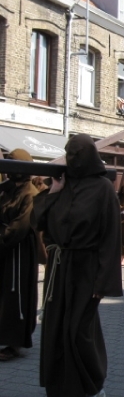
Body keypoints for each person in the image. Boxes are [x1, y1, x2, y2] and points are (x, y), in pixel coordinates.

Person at [32, 134, 122, 397]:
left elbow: (110, 238)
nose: (73, 160)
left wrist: (103, 281)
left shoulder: (103, 189)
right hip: (59, 269)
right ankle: (61, 387)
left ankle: (92, 385)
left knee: (79, 331)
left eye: (77, 154)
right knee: (56, 328)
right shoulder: (63, 184)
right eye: (69, 154)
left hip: (87, 270)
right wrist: (52, 194)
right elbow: (37, 222)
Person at [0, 149, 39, 362]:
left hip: (19, 252)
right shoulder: (8, 190)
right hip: (5, 251)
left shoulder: (30, 194)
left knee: (17, 296)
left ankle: (14, 342)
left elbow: (19, 227)